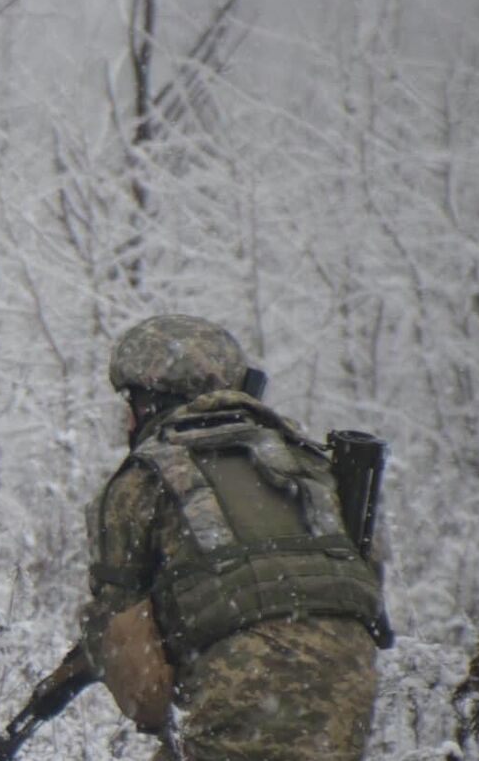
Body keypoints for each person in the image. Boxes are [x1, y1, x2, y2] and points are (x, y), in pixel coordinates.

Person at [80, 314, 387, 760]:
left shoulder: (141, 480)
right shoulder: (310, 463)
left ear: (142, 405)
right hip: (351, 680)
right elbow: (367, 579)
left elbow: (131, 659)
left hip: (243, 683)